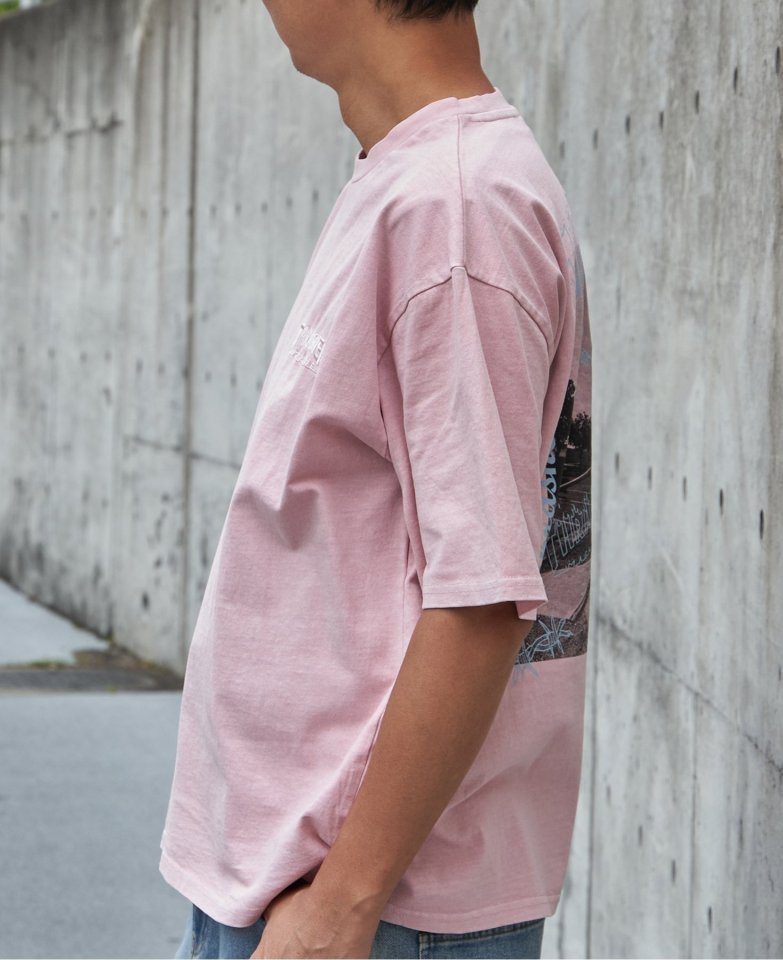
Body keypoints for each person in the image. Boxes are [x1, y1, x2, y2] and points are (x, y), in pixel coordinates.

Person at [160, 0, 593, 957]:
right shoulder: (415, 182)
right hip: (313, 880)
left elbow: (484, 597)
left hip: (371, 903)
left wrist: (343, 906)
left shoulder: (455, 212)